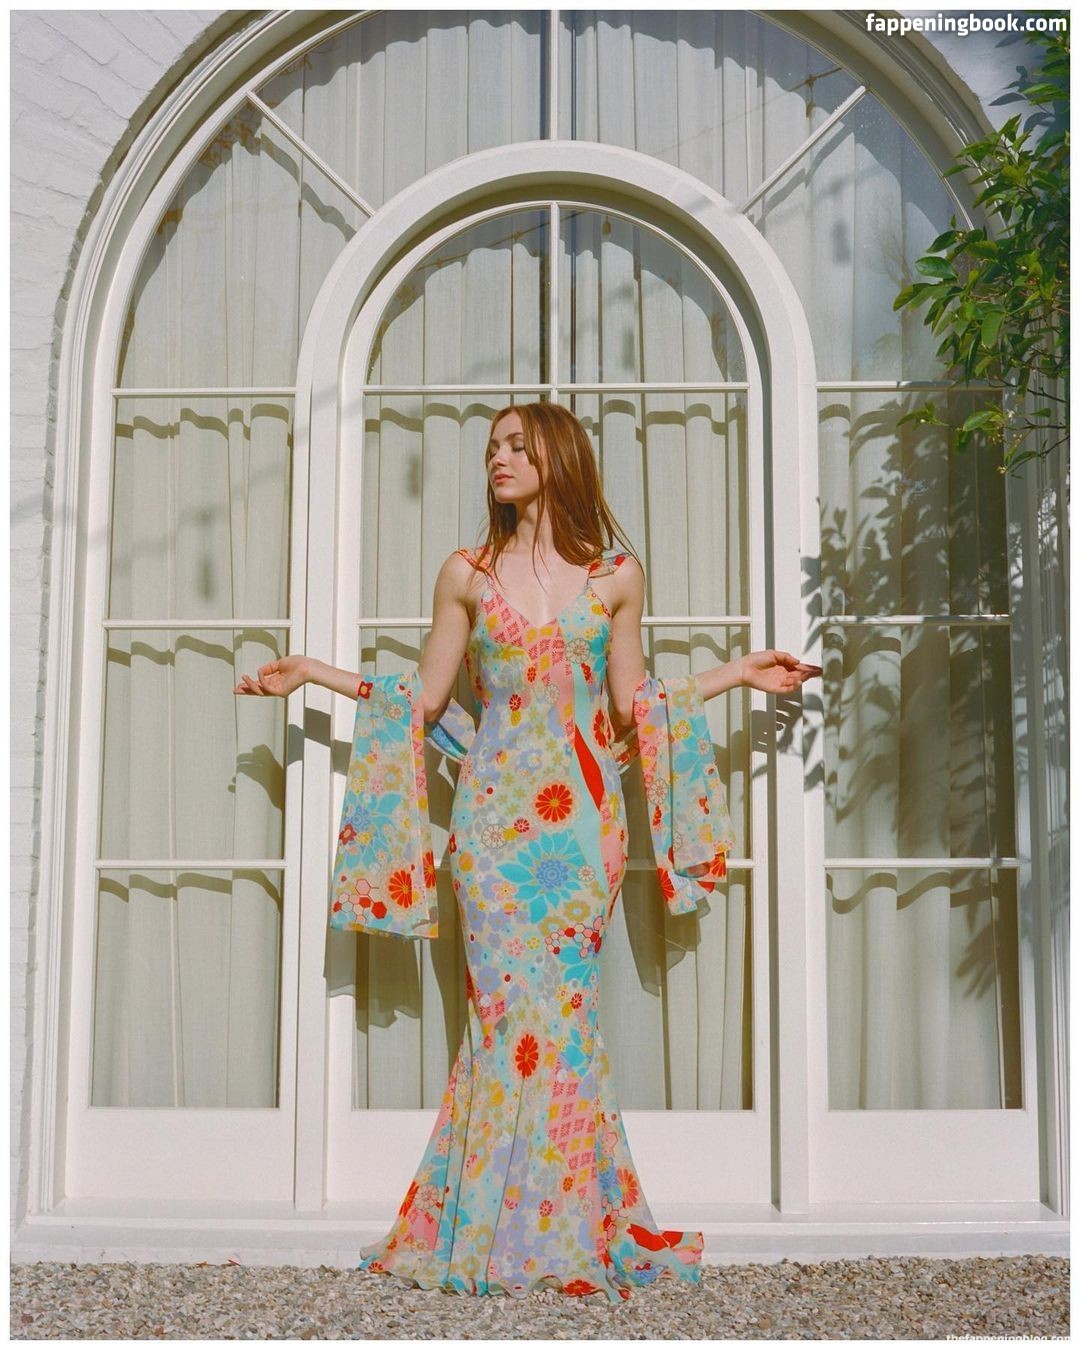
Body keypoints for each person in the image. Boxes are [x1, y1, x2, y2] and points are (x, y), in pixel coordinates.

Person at [234, 402, 821, 1301]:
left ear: (558, 455)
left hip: (583, 831)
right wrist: (313, 671)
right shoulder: (465, 574)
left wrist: (737, 673)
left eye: (516, 445)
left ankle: (568, 1227)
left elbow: (632, 706)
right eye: (491, 450)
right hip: (492, 831)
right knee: (505, 1023)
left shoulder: (616, 576)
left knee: (568, 1022)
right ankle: (493, 1227)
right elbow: (425, 700)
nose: (498, 460)